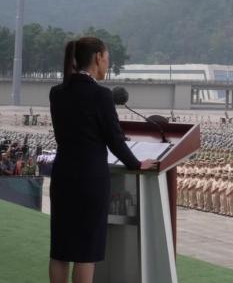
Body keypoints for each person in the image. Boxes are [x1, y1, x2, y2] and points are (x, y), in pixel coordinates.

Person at [48, 37, 157, 283]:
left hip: (63, 175)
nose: (107, 64)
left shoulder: (57, 93)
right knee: (86, 251)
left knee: (60, 249)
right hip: (90, 180)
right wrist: (137, 164)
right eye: (107, 59)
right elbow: (115, 141)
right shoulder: (101, 95)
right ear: (98, 57)